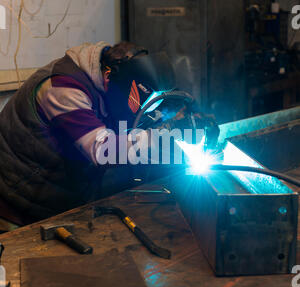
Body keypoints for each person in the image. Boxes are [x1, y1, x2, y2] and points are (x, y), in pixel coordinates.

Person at [0, 41, 217, 230]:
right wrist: (170, 133)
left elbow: (150, 111)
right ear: (108, 76)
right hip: (17, 203)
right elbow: (103, 151)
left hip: (62, 197)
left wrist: (189, 116)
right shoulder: (62, 89)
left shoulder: (114, 80)